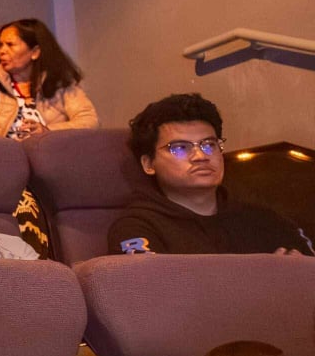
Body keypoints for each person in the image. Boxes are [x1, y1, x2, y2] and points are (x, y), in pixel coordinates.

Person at [109, 93, 312, 256]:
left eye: (209, 145)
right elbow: (152, 290)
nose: (200, 156)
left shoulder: (266, 220)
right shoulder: (136, 227)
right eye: (180, 148)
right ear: (148, 164)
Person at [0, 18, 95, 139]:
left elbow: (89, 121)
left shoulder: (61, 82)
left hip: (46, 148)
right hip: (3, 148)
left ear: (35, 52)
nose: (2, 51)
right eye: (1, 45)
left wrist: (47, 130)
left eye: (10, 44)